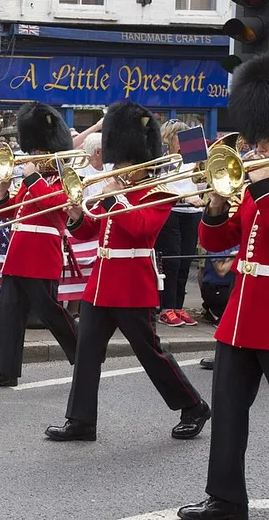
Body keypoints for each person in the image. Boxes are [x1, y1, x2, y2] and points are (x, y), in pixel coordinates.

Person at [45, 101, 209, 443]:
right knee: (87, 352)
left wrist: (115, 198)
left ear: (141, 160)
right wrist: (77, 214)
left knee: (150, 353)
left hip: (133, 283)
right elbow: (90, 232)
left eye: (124, 162)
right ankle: (81, 421)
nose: (117, 168)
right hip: (101, 283)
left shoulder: (160, 192)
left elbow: (141, 231)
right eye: (116, 161)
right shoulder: (115, 188)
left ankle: (193, 405)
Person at [177, 53, 269, 520]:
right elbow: (219, 240)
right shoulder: (253, 183)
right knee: (229, 413)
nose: (259, 148)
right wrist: (215, 205)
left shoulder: (262, 185)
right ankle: (226, 499)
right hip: (241, 316)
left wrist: (261, 187)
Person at [0, 102, 78, 388]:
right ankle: (4, 370)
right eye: (33, 151)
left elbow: (55, 206)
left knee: (51, 312)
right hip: (18, 254)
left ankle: (84, 352)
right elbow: (10, 212)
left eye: (39, 152)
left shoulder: (64, 179)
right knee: (9, 314)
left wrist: (32, 177)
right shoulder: (33, 181)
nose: (33, 156)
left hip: (42, 254)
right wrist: (3, 190)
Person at [155, 119, 205, 327]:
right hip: (172, 211)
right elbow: (162, 187)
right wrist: (185, 198)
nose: (184, 139)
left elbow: (203, 179)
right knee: (172, 262)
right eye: (179, 136)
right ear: (169, 138)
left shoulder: (194, 158)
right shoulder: (163, 160)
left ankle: (178, 306)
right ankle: (166, 308)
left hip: (192, 212)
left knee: (185, 261)